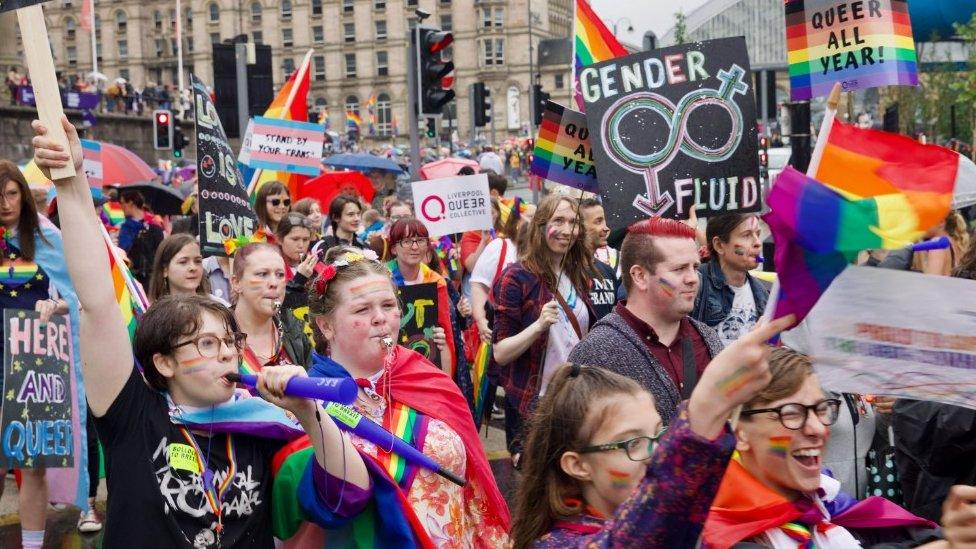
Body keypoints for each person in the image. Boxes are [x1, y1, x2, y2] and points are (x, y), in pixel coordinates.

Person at [32, 116, 367, 548]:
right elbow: (96, 301)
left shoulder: (263, 424)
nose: (228, 354)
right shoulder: (133, 414)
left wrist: (308, 412)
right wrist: (72, 181)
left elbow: (349, 496)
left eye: (230, 343)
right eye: (207, 344)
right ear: (163, 361)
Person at [276, 246, 510, 546]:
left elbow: (474, 484)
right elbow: (332, 502)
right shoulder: (307, 400)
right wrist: (311, 414)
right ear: (325, 325)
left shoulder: (424, 376)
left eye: (388, 305)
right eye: (362, 310)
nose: (380, 318)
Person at [512, 316, 795, 547]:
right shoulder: (557, 543)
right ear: (577, 465)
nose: (656, 455)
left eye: (660, 435)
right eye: (633, 443)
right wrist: (710, 402)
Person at [702, 347, 944, 548]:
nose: (818, 428)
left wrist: (955, 535)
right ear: (740, 433)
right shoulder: (719, 532)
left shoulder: (825, 500)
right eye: (792, 413)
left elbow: (902, 533)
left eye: (821, 409)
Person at [568, 217, 724, 423]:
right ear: (640, 276)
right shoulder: (596, 353)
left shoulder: (707, 339)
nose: (693, 278)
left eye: (694, 267)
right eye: (679, 269)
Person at [0, 160, 83, 548]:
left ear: (23, 195)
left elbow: (77, 293)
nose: (4, 203)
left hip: (34, 360)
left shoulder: (46, 237)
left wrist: (56, 307)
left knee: (32, 463)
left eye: (12, 193)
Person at [493, 195, 596, 462]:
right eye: (558, 220)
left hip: (576, 398)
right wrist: (538, 326)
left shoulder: (579, 276)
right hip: (536, 405)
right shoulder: (517, 277)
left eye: (573, 222)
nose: (566, 230)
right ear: (540, 226)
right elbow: (500, 353)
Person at [386, 220, 473, 406]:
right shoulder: (383, 279)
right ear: (394, 248)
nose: (415, 247)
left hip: (427, 364)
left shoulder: (436, 281)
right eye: (407, 241)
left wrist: (445, 386)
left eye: (420, 240)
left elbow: (446, 336)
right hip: (390, 367)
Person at [231, 242, 311, 370]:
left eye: (280, 275)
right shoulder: (217, 334)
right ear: (236, 283)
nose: (274, 283)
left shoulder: (295, 331)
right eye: (262, 274)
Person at [692, 212, 769, 346]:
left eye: (758, 234)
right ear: (719, 245)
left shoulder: (762, 292)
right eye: (746, 235)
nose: (757, 243)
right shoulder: (696, 282)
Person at [578, 198, 619, 320]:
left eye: (605, 221)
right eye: (598, 222)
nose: (606, 228)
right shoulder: (567, 272)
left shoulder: (608, 271)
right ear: (580, 227)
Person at [117, 189, 164, 286]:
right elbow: (123, 251)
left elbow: (161, 250)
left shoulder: (154, 223)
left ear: (130, 203)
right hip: (134, 277)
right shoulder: (126, 228)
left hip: (154, 277)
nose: (121, 207)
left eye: (122, 203)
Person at [147, 233, 210, 302]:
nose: (193, 268)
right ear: (165, 269)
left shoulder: (216, 307)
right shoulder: (154, 311)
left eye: (198, 261)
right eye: (183, 262)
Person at [274, 212, 315, 278]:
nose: (301, 245)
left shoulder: (314, 265)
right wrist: (300, 278)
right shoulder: (271, 268)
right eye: (295, 239)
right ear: (279, 239)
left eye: (305, 239)